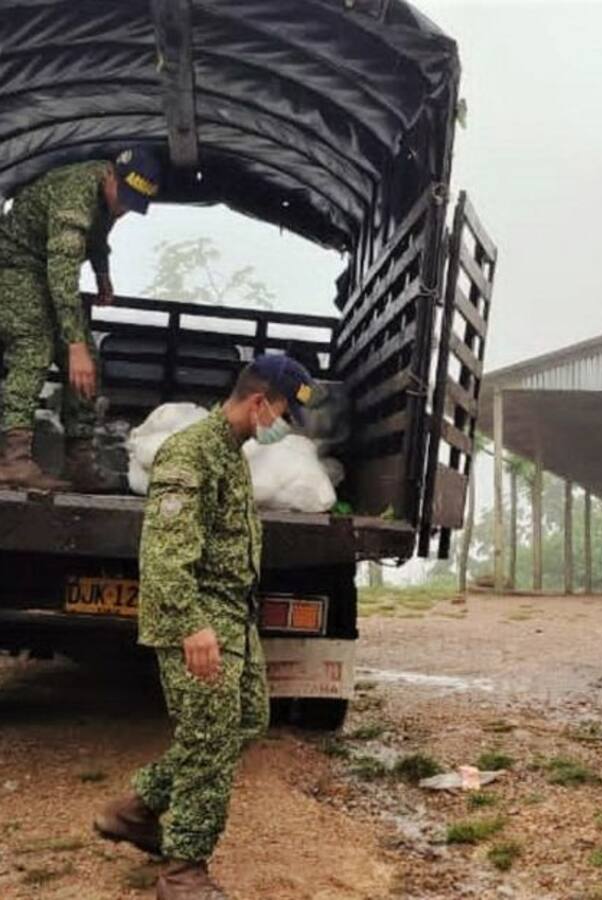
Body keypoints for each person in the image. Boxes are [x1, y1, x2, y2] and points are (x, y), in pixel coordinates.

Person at [94, 355, 316, 900]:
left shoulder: (231, 454)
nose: (282, 427)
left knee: (247, 721)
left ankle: (136, 808)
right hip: (196, 617)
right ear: (260, 402)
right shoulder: (190, 452)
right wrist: (192, 626)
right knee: (210, 736)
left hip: (232, 616)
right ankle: (183, 872)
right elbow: (166, 554)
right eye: (284, 412)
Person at [0, 147, 161, 490]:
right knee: (34, 347)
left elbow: (98, 234)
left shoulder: (106, 197)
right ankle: (14, 461)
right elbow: (62, 273)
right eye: (125, 199)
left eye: (133, 205)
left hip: (43, 272)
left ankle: (80, 460)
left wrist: (103, 273)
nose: (124, 210)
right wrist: (73, 346)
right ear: (110, 177)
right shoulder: (75, 193)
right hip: (14, 268)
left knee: (89, 363)